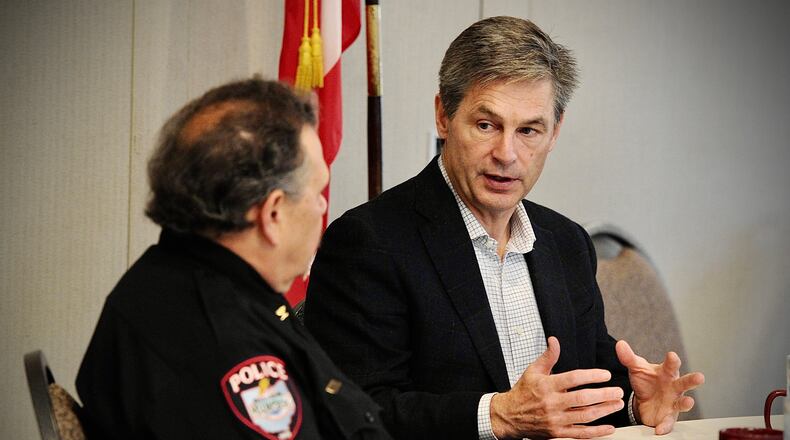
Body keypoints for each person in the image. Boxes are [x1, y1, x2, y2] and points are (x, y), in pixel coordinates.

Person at [304, 16, 704, 440]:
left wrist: (636, 403)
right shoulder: (369, 242)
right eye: (486, 125)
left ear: (555, 132)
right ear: (443, 116)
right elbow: (353, 413)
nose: (506, 154)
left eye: (529, 130)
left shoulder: (567, 242)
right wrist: (496, 415)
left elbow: (589, 381)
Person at [76, 78, 392, 440]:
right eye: (317, 192)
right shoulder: (222, 344)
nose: (323, 206)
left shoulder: (184, 275)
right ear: (273, 213)